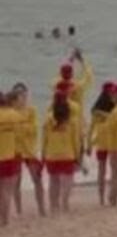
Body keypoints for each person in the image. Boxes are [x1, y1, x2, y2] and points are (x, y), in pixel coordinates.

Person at [41, 91, 80, 216]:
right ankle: (65, 202)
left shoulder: (48, 119)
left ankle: (53, 205)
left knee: (53, 181)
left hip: (51, 155)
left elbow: (44, 139)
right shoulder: (72, 121)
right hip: (67, 155)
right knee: (67, 181)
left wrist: (43, 154)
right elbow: (76, 141)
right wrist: (78, 157)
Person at [7, 84, 43, 218]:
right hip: (15, 150)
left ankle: (41, 208)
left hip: (29, 150)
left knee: (37, 179)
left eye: (24, 94)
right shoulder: (10, 111)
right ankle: (19, 210)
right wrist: (22, 126)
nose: (22, 97)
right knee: (16, 182)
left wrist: (20, 126)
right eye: (19, 94)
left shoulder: (31, 110)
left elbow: (33, 129)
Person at [0, 93, 20, 226]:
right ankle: (5, 220)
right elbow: (19, 138)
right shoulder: (14, 115)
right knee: (6, 191)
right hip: (10, 156)